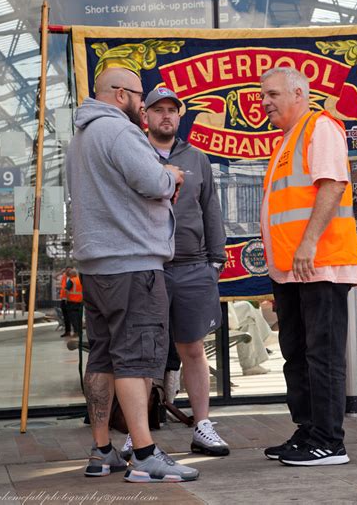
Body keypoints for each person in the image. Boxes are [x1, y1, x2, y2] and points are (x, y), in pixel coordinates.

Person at [66, 67, 198, 483]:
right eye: (140, 96)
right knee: (136, 358)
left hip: (96, 268)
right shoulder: (119, 133)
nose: (143, 104)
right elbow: (149, 179)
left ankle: (102, 449)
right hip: (132, 265)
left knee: (102, 355)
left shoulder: (80, 138)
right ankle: (143, 454)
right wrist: (171, 175)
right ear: (121, 94)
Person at [259, 67, 357, 467]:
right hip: (291, 270)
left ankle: (330, 442)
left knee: (323, 355)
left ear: (298, 93)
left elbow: (332, 185)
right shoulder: (287, 140)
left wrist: (307, 244)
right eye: (263, 95)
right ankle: (308, 432)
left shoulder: (320, 127)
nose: (264, 102)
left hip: (320, 264)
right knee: (296, 355)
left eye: (272, 94)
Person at [122, 86, 229, 458]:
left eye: (172, 109)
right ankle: (137, 433)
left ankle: (202, 426)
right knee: (143, 353)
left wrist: (215, 261)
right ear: (145, 116)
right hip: (147, 266)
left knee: (193, 350)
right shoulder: (133, 154)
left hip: (193, 266)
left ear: (179, 115)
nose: (165, 115)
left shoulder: (197, 159)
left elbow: (210, 208)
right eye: (158, 110)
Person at [227, 300, 279, 376]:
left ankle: (250, 366)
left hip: (211, 318)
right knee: (246, 307)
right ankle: (266, 336)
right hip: (213, 320)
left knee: (248, 321)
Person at [65, 268, 83, 338]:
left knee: (73, 318)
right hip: (80, 301)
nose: (69, 275)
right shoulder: (80, 280)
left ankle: (76, 332)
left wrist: (67, 298)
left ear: (72, 274)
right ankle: (80, 331)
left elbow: (67, 290)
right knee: (79, 317)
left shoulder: (71, 280)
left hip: (72, 301)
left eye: (70, 274)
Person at [58, 266, 72, 337]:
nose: (68, 272)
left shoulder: (74, 278)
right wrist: (61, 271)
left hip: (71, 300)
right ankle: (67, 331)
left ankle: (76, 331)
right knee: (65, 316)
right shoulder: (64, 277)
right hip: (63, 299)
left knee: (73, 316)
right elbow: (54, 277)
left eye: (69, 270)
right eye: (67, 270)